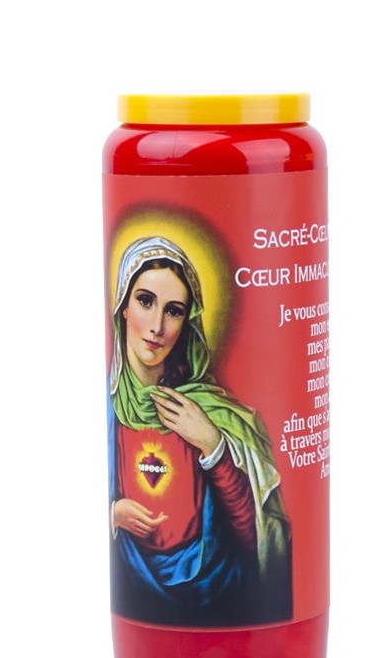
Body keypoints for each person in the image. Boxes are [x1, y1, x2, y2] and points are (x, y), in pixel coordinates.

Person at [108, 235, 291, 626]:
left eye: (173, 311)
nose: (156, 326)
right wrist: (114, 515)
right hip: (137, 598)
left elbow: (253, 537)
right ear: (122, 306)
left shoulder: (206, 412)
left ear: (187, 323)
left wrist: (213, 444)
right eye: (145, 301)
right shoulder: (108, 410)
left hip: (219, 593)